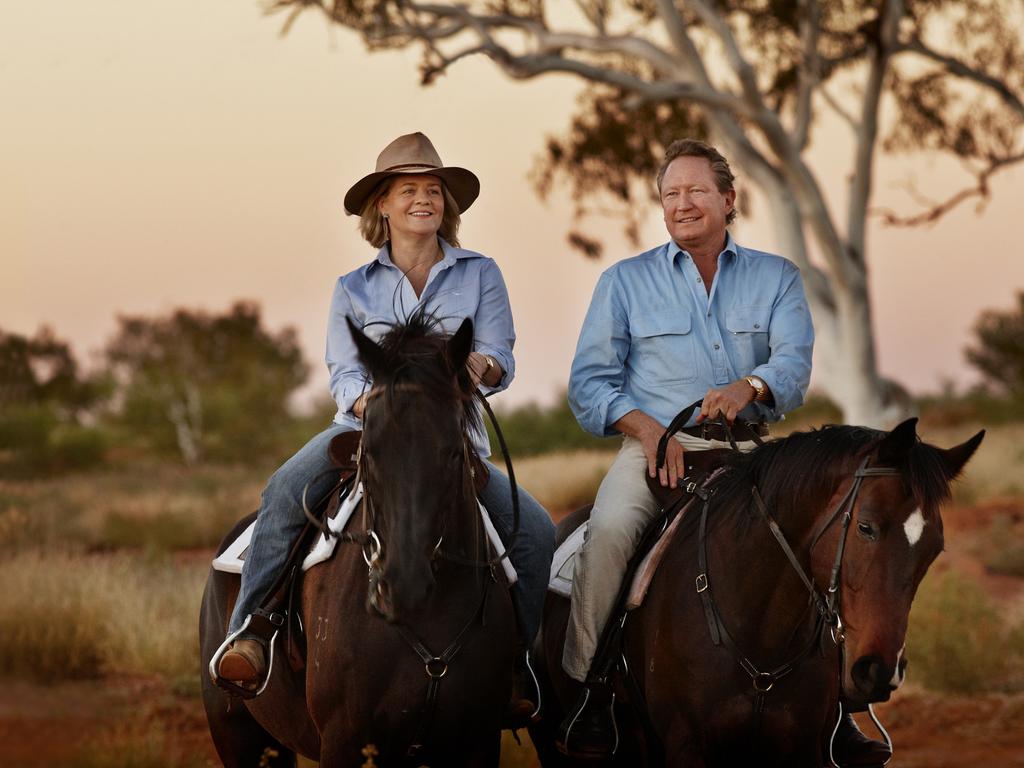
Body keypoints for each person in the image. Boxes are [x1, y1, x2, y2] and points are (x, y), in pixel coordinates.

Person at [557, 139, 886, 766]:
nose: (682, 205)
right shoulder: (623, 282)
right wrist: (651, 432)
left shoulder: (777, 277)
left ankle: (839, 707)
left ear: (728, 200)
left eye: (696, 192)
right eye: (671, 195)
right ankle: (587, 694)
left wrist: (751, 386)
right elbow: (590, 384)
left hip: (751, 458)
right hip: (655, 453)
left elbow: (792, 363)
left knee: (817, 548)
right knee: (609, 535)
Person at [217, 132, 555, 722]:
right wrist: (367, 400)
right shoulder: (353, 288)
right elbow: (343, 372)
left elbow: (501, 355)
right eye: (409, 190)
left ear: (446, 204)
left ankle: (517, 662)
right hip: (369, 432)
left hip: (451, 439)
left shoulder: (482, 274)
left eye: (433, 190)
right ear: (383, 205)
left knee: (536, 533)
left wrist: (482, 363)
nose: (423, 200)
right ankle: (253, 629)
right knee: (282, 492)